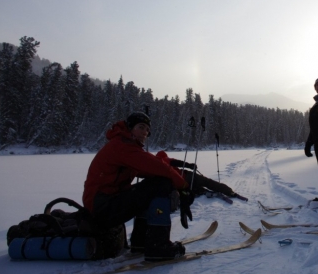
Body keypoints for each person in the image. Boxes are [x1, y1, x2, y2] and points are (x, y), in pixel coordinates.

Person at [82, 112, 193, 261]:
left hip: (104, 204)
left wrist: (179, 177)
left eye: (147, 130)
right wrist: (183, 186)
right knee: (161, 185)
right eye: (141, 127)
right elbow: (157, 167)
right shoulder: (122, 146)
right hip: (102, 206)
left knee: (153, 185)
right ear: (130, 127)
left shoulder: (126, 146)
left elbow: (152, 168)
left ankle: (140, 242)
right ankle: (157, 246)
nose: (144, 133)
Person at [155, 150, 247, 200]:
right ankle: (229, 192)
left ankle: (204, 192)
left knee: (193, 189)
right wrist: (190, 165)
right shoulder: (166, 159)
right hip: (188, 175)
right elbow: (177, 162)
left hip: (182, 183)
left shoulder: (157, 166)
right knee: (207, 182)